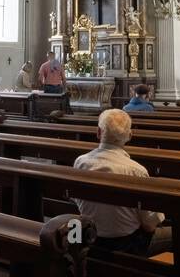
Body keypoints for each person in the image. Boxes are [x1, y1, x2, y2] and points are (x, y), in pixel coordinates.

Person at [71, 109, 171, 257]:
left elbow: (77, 200)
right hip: (128, 244)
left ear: (98, 132)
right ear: (130, 136)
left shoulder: (81, 162)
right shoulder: (136, 170)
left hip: (90, 236)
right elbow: (149, 226)